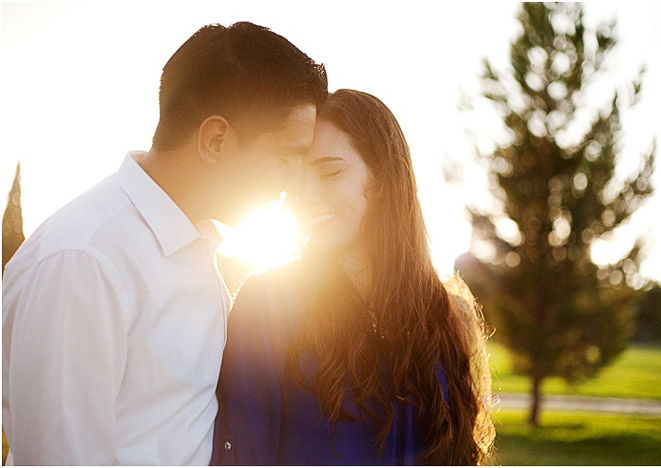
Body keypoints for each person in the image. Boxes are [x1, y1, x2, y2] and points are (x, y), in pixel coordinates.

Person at [2, 22, 327, 465]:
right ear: (215, 141)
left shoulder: (197, 249)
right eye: (284, 158)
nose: (293, 181)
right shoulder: (84, 260)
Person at [211, 89, 495, 465]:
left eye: (330, 172)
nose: (306, 195)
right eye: (296, 178)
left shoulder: (447, 314)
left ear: (382, 179)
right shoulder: (267, 305)